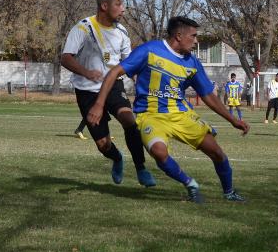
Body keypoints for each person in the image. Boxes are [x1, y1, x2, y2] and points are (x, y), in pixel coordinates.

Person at [87, 16, 250, 203]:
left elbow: (208, 95)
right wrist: (99, 105)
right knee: (159, 152)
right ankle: (191, 185)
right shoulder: (150, 51)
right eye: (194, 36)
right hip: (150, 116)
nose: (196, 41)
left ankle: (229, 193)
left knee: (216, 152)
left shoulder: (192, 63)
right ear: (179, 36)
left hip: (180, 114)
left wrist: (232, 120)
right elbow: (114, 72)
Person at [61, 0, 156, 187]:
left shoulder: (121, 32)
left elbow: (129, 63)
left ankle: (141, 167)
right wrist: (86, 72)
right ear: (105, 6)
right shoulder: (83, 29)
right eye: (119, 4)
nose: (123, 9)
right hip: (87, 91)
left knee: (128, 118)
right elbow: (65, 58)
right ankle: (117, 158)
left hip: (113, 85)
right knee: (103, 144)